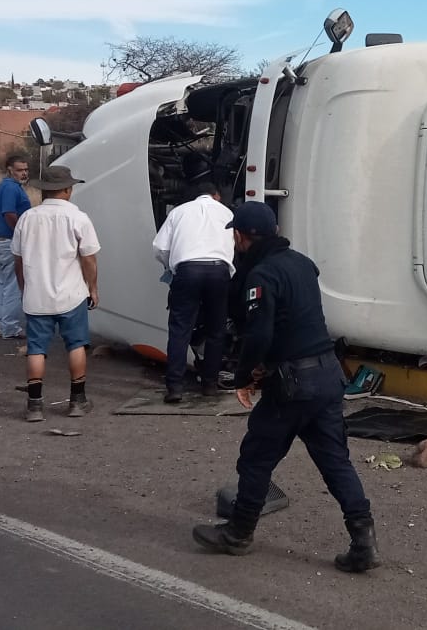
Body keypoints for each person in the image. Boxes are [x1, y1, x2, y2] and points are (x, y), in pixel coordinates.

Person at [192, 202, 379, 573]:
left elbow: (260, 333)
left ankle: (238, 534)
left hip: (294, 384)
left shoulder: (261, 275)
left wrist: (244, 376)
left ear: (241, 237)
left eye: (236, 237)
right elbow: (294, 322)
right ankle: (364, 542)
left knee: (257, 456)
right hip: (327, 375)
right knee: (335, 462)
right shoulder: (302, 264)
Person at [11, 165, 100, 422]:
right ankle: (77, 401)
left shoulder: (27, 218)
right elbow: (89, 259)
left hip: (36, 296)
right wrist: (92, 287)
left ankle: (35, 405)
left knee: (36, 349)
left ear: (44, 191)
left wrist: (23, 287)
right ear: (68, 189)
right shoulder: (78, 218)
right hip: (71, 295)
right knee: (75, 345)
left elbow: (17, 259)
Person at [152, 181, 235, 402]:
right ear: (215, 195)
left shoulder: (179, 212)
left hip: (187, 271)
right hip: (219, 271)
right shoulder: (226, 212)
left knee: (180, 329)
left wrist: (171, 266)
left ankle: (175, 387)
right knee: (216, 331)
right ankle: (209, 385)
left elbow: (160, 248)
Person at [0, 155, 32, 339]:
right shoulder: (10, 188)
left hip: (1, 242)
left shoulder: (10, 186)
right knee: (14, 286)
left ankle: (4, 323)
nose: (23, 173)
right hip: (8, 242)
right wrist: (21, 234)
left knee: (5, 285)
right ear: (10, 170)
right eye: (19, 170)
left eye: (25, 169)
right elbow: (9, 213)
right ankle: (9, 327)